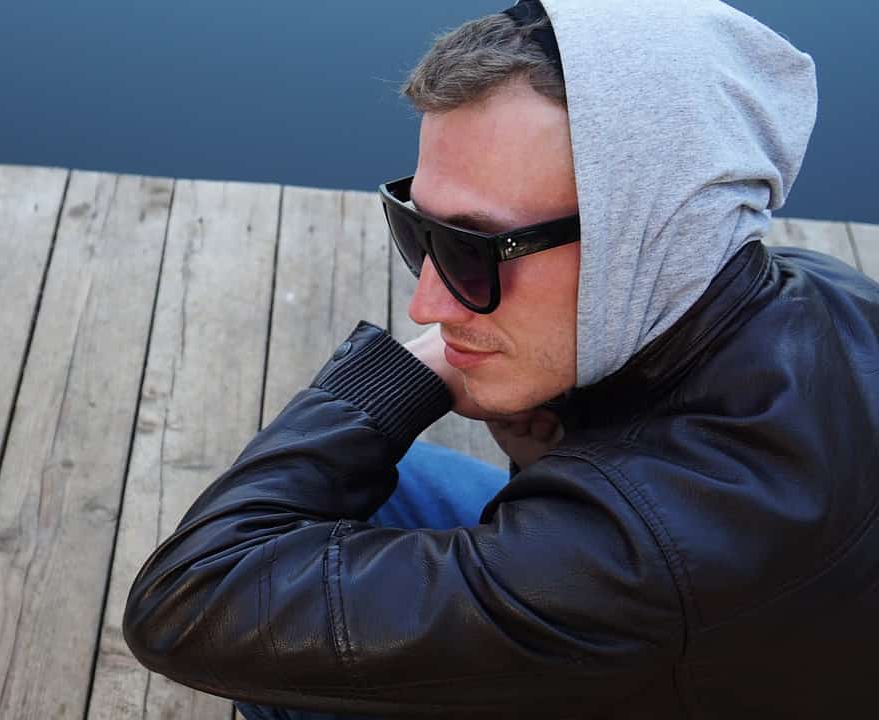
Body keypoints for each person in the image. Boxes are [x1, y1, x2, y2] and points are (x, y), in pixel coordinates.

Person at [122, 0, 879, 717]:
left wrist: (394, 380)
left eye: (471, 247)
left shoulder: (629, 558)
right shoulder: (822, 288)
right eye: (418, 229)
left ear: (654, 239)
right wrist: (559, 432)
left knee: (286, 670)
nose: (426, 306)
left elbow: (190, 602)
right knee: (382, 477)